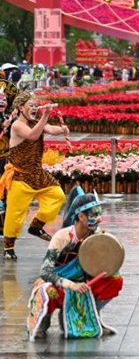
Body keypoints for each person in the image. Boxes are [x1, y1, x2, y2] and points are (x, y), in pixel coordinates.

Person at [27, 186, 123, 339]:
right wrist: (71, 285)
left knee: (115, 279)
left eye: (99, 214)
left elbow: (103, 264)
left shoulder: (96, 236)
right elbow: (45, 271)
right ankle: (44, 320)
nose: (98, 219)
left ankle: (94, 315)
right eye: (93, 214)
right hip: (60, 283)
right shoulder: (62, 237)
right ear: (81, 216)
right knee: (46, 291)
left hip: (84, 284)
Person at [1, 90, 68, 260]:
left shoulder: (36, 122)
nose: (34, 108)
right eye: (31, 105)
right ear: (20, 107)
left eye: (36, 105)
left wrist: (61, 129)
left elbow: (49, 128)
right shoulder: (17, 125)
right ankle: (9, 246)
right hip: (20, 176)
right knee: (15, 214)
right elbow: (32, 136)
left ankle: (36, 226)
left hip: (37, 174)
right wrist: (46, 115)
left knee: (58, 195)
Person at [0, 80, 18, 231]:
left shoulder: (9, 117)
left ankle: (4, 223)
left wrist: (11, 124)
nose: (1, 102)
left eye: (4, 100)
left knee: (6, 187)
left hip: (6, 158)